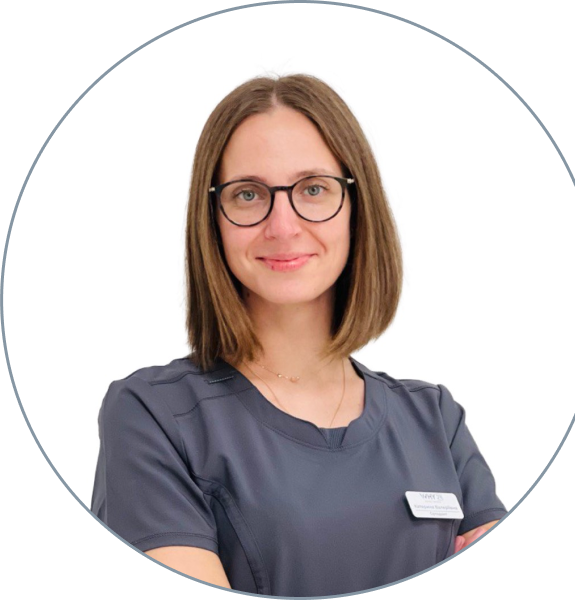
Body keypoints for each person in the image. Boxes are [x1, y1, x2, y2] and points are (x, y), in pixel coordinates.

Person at [91, 74, 507, 595]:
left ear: (357, 205)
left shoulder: (435, 420)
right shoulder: (152, 417)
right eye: (248, 194)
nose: (283, 226)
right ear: (211, 219)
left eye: (313, 189)